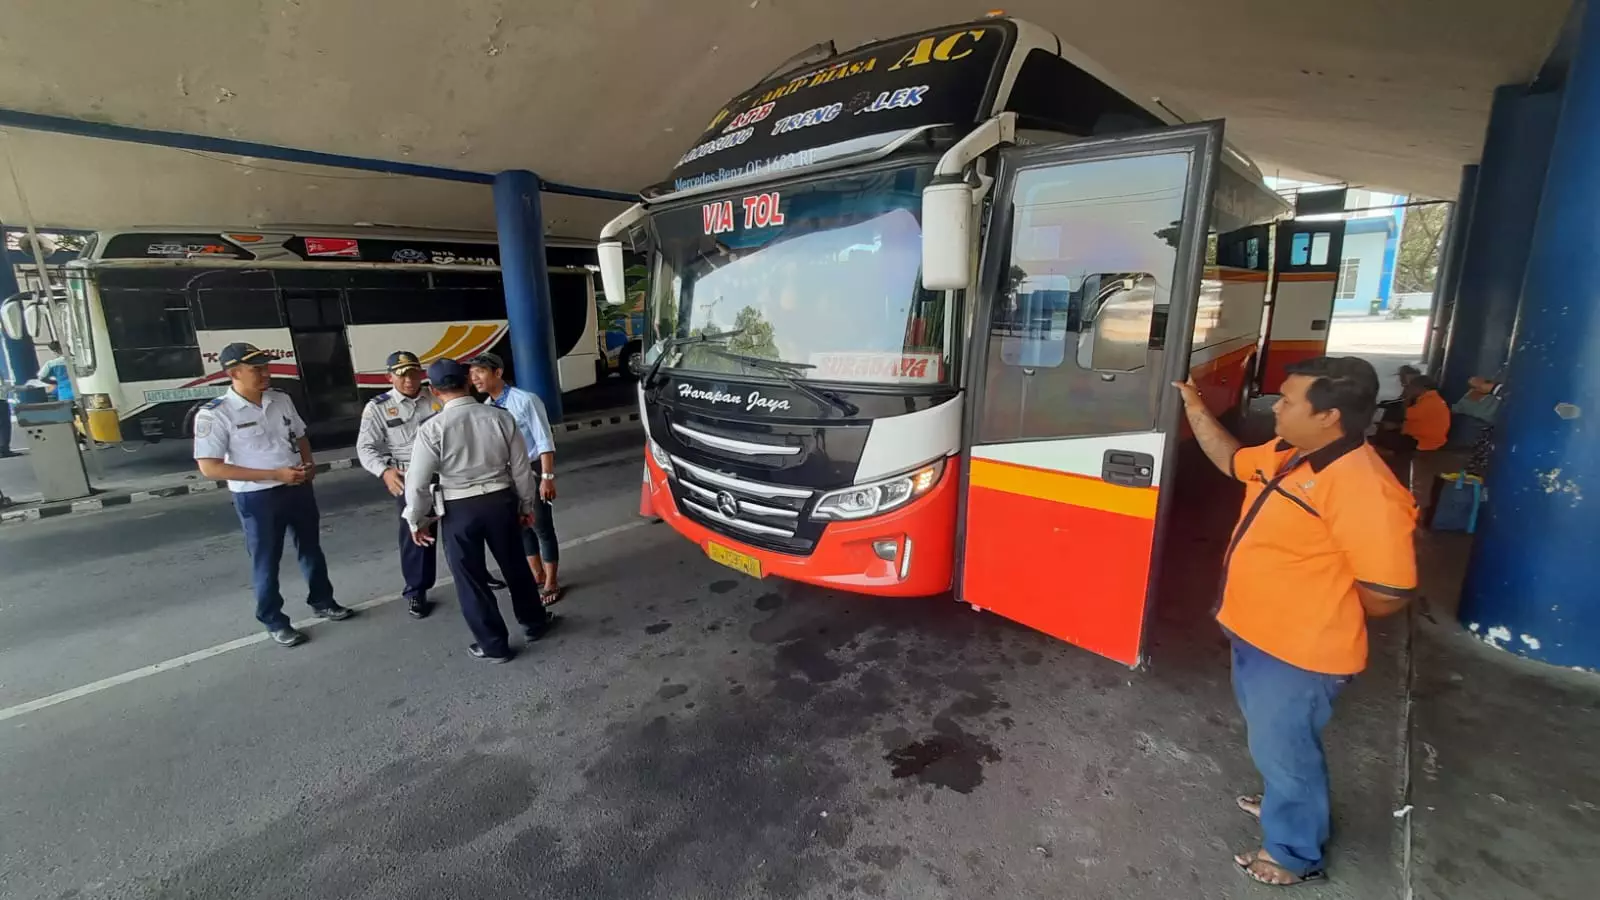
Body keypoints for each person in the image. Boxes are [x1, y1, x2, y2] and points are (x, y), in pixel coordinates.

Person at [1174, 355, 1418, 887]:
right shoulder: (1291, 452)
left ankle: (1291, 853)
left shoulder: (1362, 486)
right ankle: (1286, 802)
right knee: (1276, 743)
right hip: (1256, 633)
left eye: (1288, 401)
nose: (1275, 406)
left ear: (1329, 416)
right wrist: (1192, 404)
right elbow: (1232, 459)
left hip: (1299, 652)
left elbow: (1389, 591)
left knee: (1286, 752)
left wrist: (1317, 607)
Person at [194, 343, 354, 646]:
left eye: (267, 367)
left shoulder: (280, 399)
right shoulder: (215, 414)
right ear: (234, 373)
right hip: (258, 498)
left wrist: (309, 465)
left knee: (311, 549)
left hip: (297, 487)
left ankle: (323, 601)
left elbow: (300, 434)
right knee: (266, 561)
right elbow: (210, 468)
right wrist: (273, 475)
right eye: (257, 370)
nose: (266, 374)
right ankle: (274, 620)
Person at [402, 358, 558, 662]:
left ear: (433, 390)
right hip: (501, 502)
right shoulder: (499, 417)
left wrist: (415, 519)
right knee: (515, 566)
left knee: (471, 580)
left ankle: (494, 645)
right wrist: (526, 505)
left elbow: (417, 483)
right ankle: (534, 623)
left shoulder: (431, 428)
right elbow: (523, 469)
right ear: (467, 382)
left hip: (459, 509)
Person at [467, 352, 563, 604]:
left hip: (531, 471)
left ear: (497, 373)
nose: (474, 378)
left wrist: (547, 477)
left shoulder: (526, 400)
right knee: (521, 529)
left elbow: (544, 440)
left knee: (541, 527)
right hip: (505, 477)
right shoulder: (486, 408)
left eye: (480, 372)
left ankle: (552, 581)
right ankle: (537, 575)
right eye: (472, 373)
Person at [356, 350, 443, 619]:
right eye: (402, 374)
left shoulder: (437, 395)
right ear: (389, 377)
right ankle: (417, 591)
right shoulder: (378, 407)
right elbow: (365, 447)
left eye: (413, 373)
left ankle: (478, 575)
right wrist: (384, 471)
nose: (409, 379)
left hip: (447, 473)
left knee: (461, 531)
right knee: (418, 535)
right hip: (411, 479)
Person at [1372, 373, 1451, 482]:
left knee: (1390, 425)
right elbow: (1417, 422)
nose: (1409, 389)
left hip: (1424, 441)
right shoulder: (1431, 399)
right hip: (1421, 435)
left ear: (1421, 388)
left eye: (1411, 387)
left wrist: (1407, 398)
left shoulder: (1429, 402)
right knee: (1388, 426)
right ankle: (1385, 448)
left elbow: (1404, 414)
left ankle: (1389, 452)